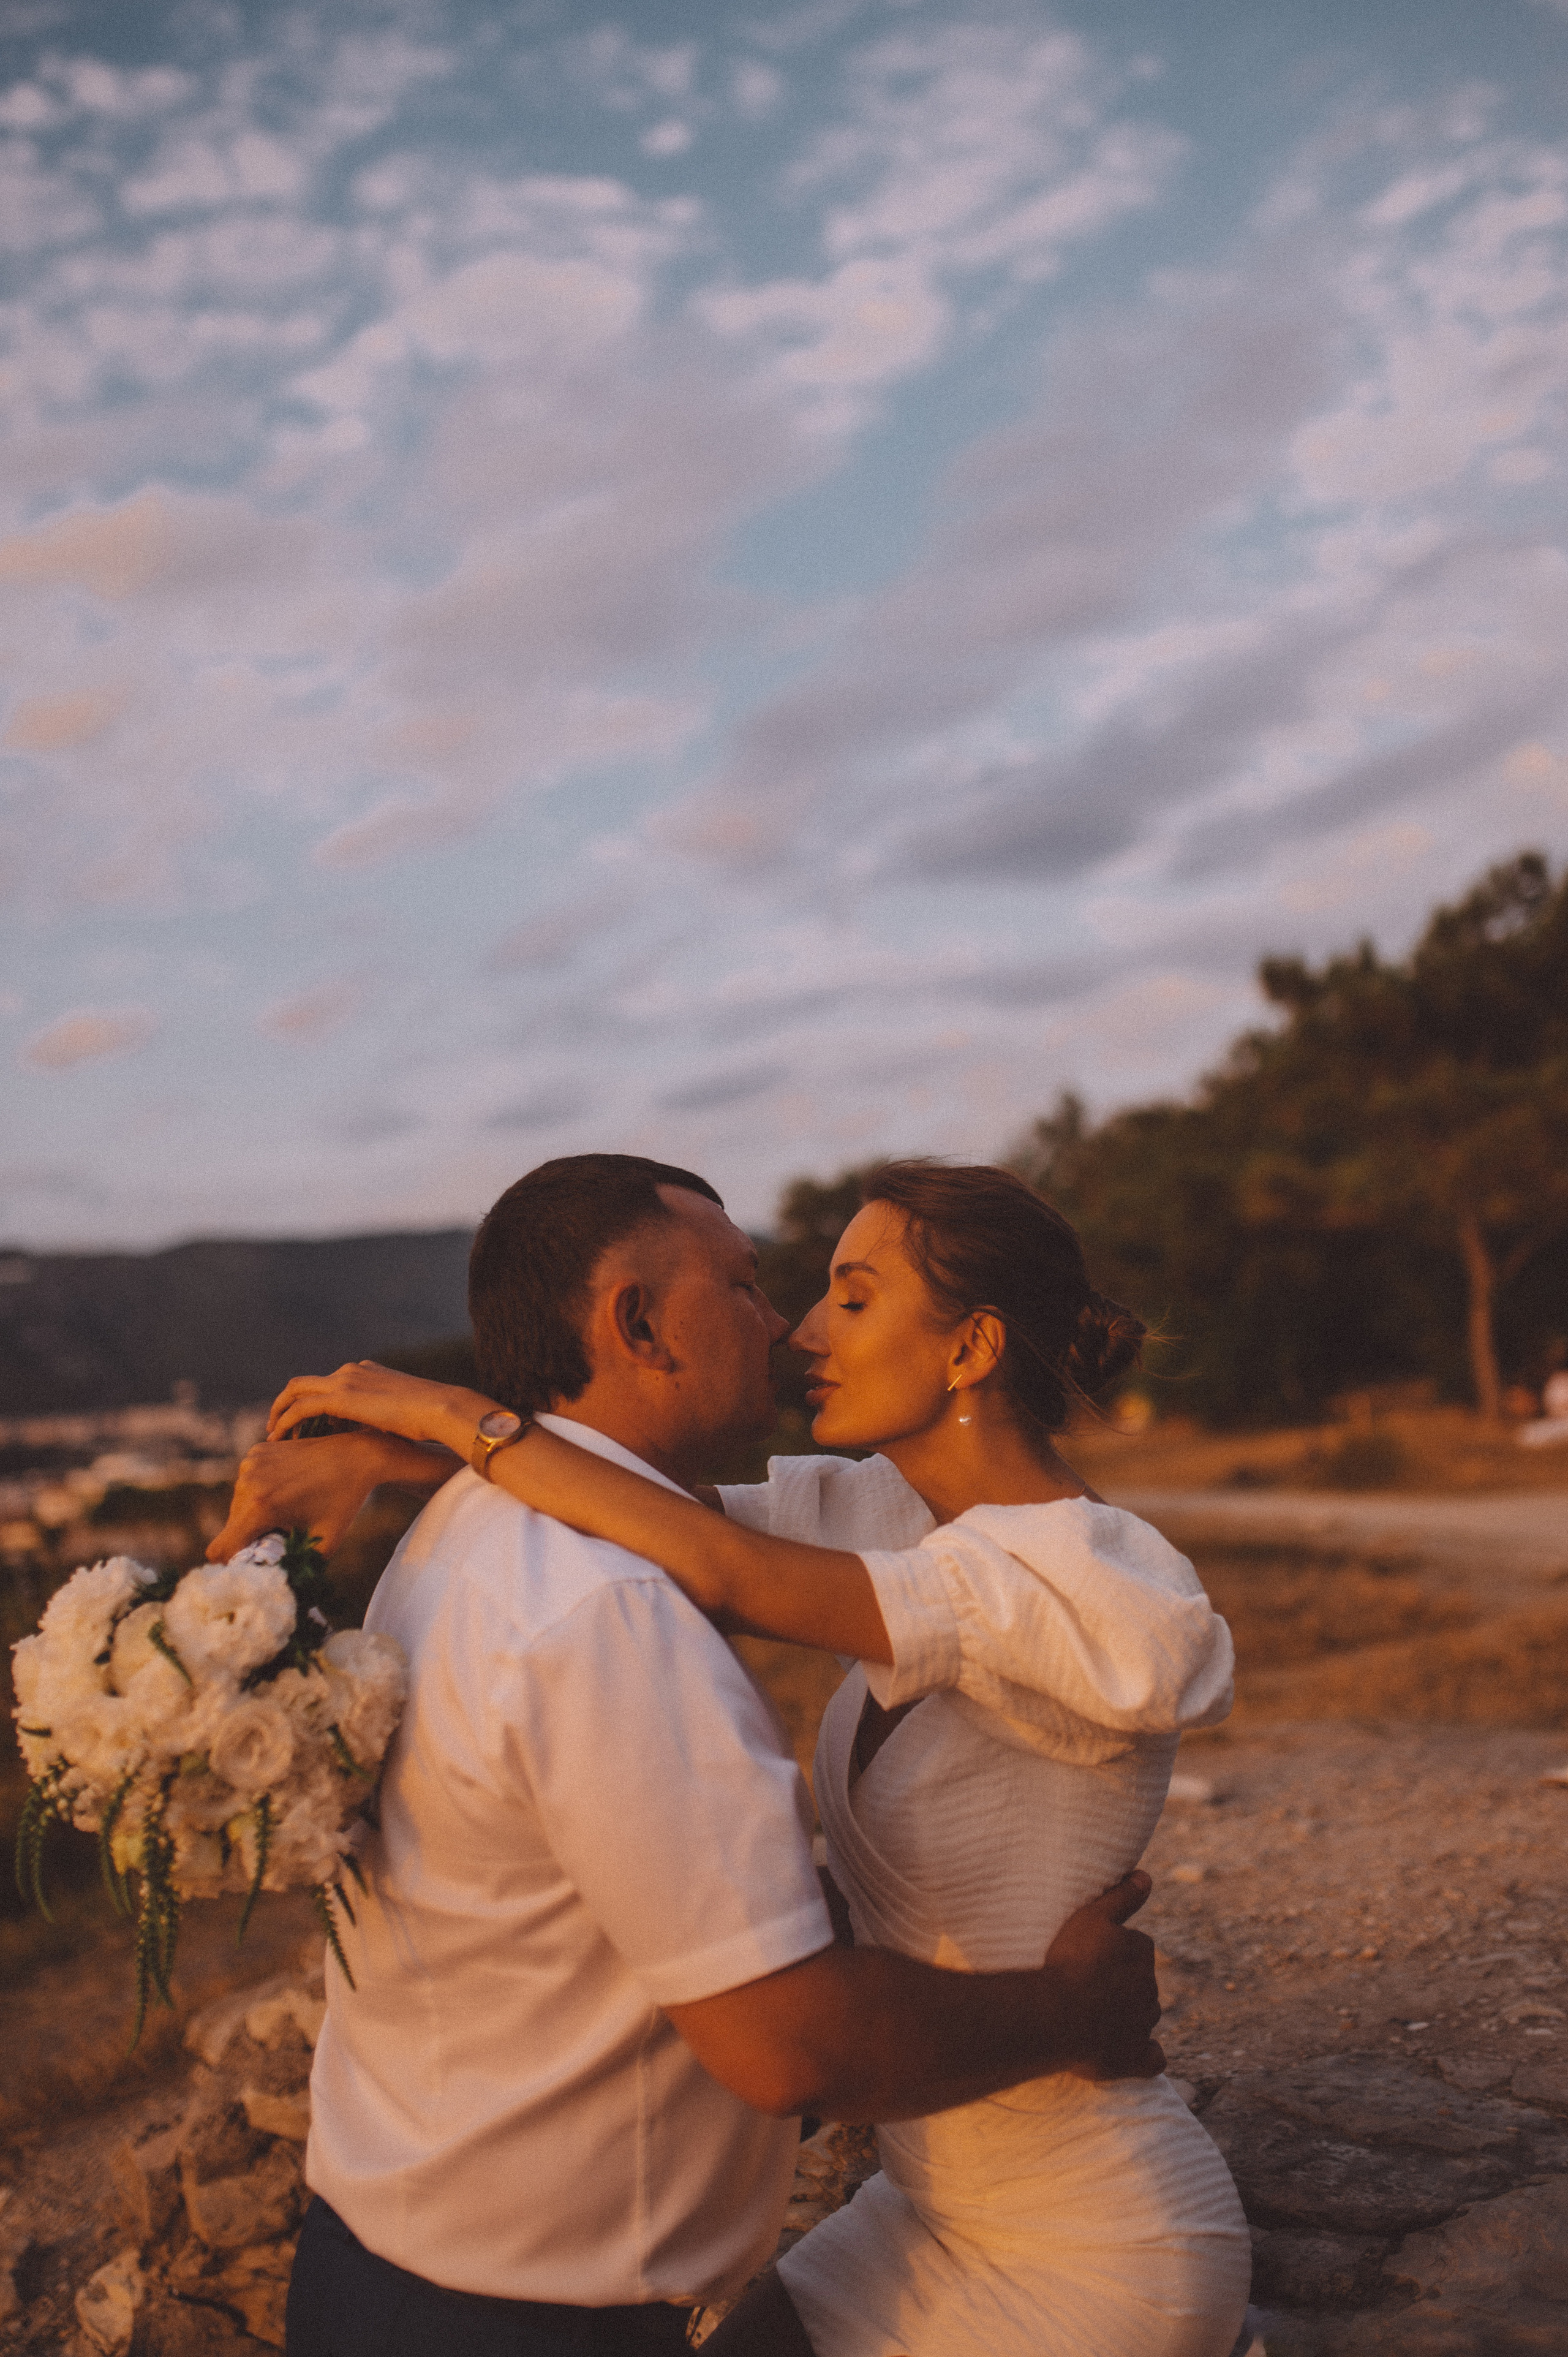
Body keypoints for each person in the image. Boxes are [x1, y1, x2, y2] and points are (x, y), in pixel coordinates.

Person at [236, 1159, 1251, 2357]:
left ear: (971, 1346)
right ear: (636, 1322)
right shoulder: (884, 1516)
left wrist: (450, 1414)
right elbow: (650, 1504)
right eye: (769, 1288)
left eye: (850, 1297)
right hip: (919, 2204)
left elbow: (711, 1565)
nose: (796, 1330)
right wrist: (391, 1455)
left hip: (1084, 2229)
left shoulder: (1103, 1588)